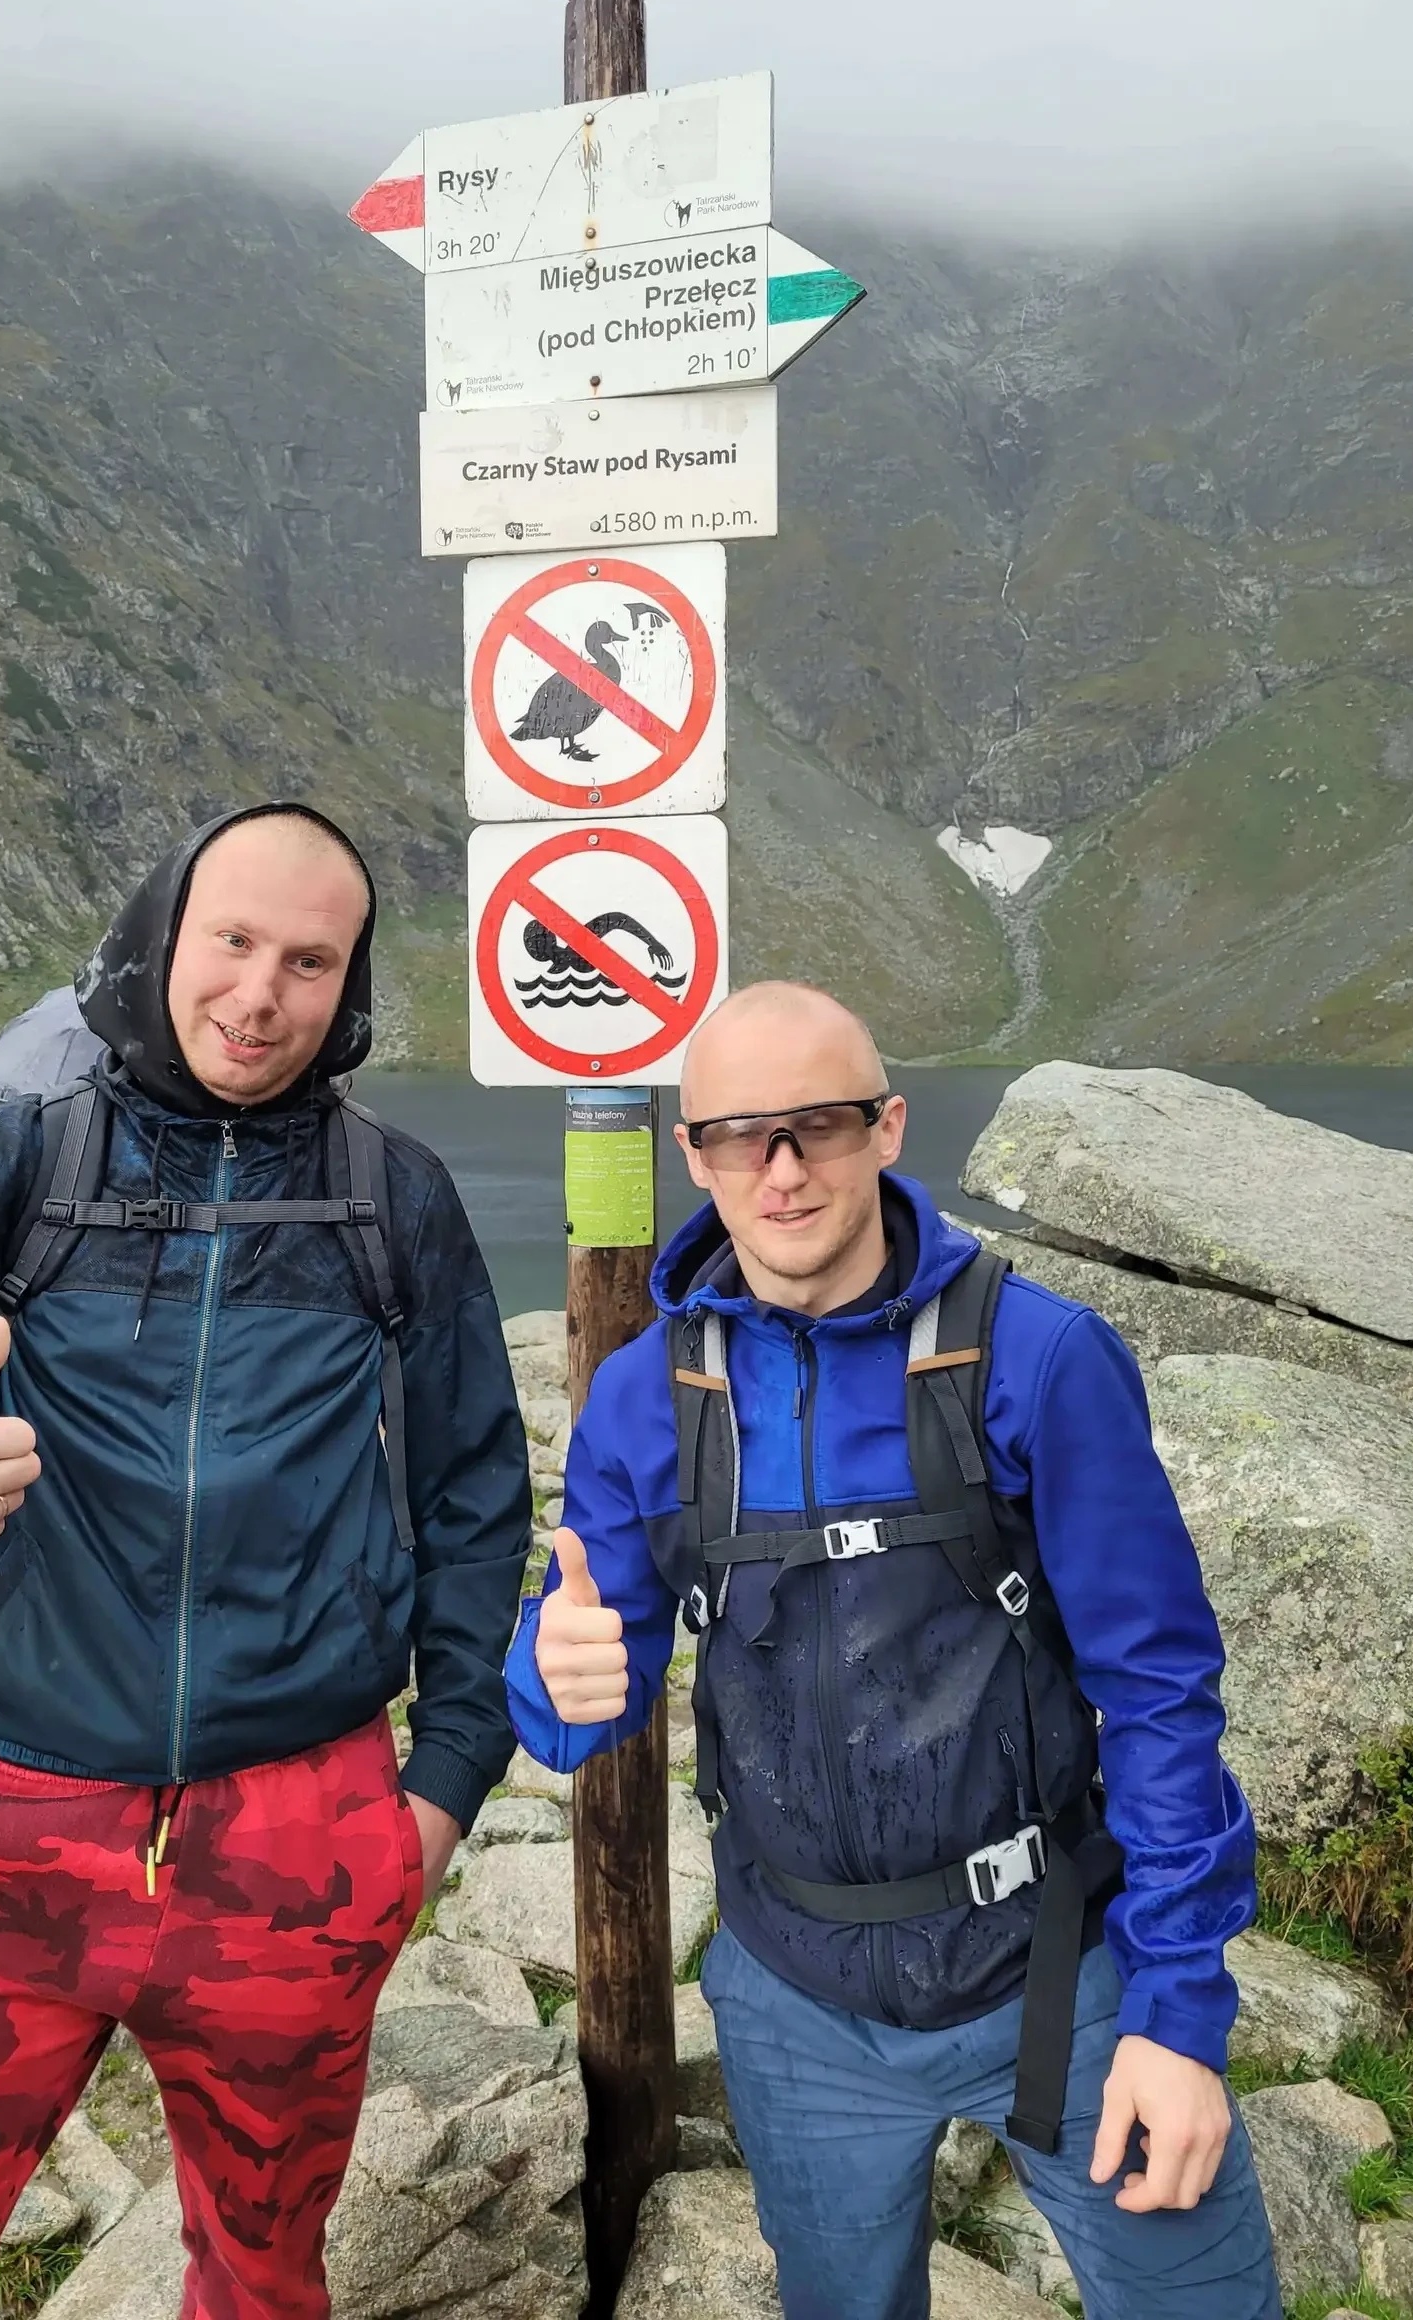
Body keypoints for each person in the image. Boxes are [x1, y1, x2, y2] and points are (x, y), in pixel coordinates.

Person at [0, 803, 532, 2320]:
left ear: (349, 990)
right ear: (163, 930)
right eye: (232, 941)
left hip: (302, 1835)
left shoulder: (393, 1196)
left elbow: (475, 1492)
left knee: (263, 2285)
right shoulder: (18, 1165)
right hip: (13, 1828)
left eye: (310, 962)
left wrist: (439, 1793)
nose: (259, 996)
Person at [506, 983, 1281, 2320]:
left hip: (1059, 1975)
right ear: (694, 1156)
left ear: (888, 1129)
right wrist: (548, 1670)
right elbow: (580, 1692)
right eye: (743, 1136)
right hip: (796, 2004)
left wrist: (1178, 2018)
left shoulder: (1036, 1358)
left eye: (820, 1125)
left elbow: (1158, 1694)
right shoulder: (648, 1396)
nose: (784, 1168)